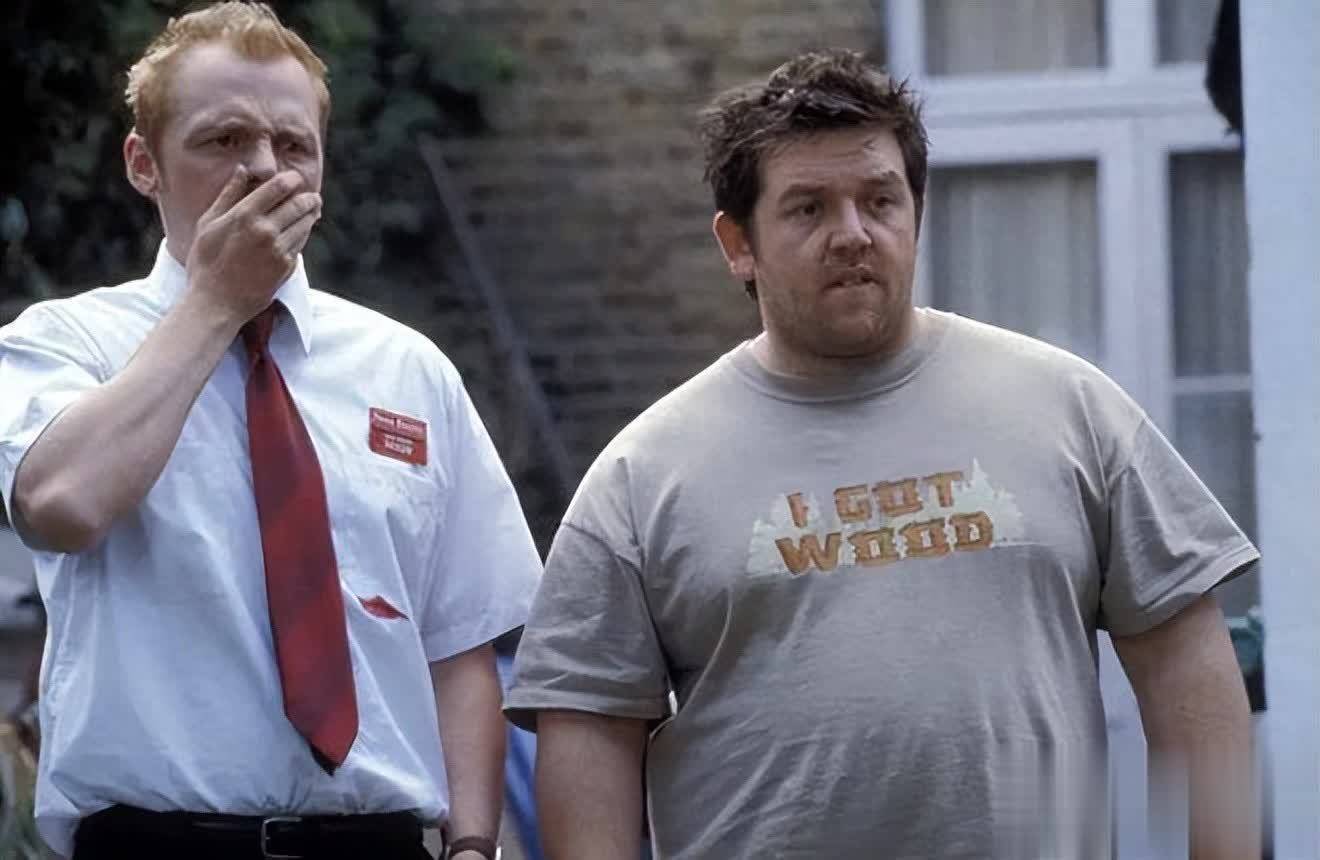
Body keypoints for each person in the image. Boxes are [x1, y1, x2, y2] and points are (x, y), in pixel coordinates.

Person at [505, 49, 1259, 860]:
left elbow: (1185, 662)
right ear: (738, 243)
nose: (853, 235)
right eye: (808, 209)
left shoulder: (1069, 409)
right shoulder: (644, 476)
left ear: (916, 212)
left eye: (879, 200)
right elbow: (588, 732)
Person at [0, 3, 541, 858]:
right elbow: (61, 504)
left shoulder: (406, 368)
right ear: (143, 164)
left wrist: (474, 842)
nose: (263, 168)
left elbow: (460, 642)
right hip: (157, 844)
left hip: (376, 843)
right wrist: (218, 299)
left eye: (293, 146)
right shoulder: (66, 343)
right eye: (223, 141)